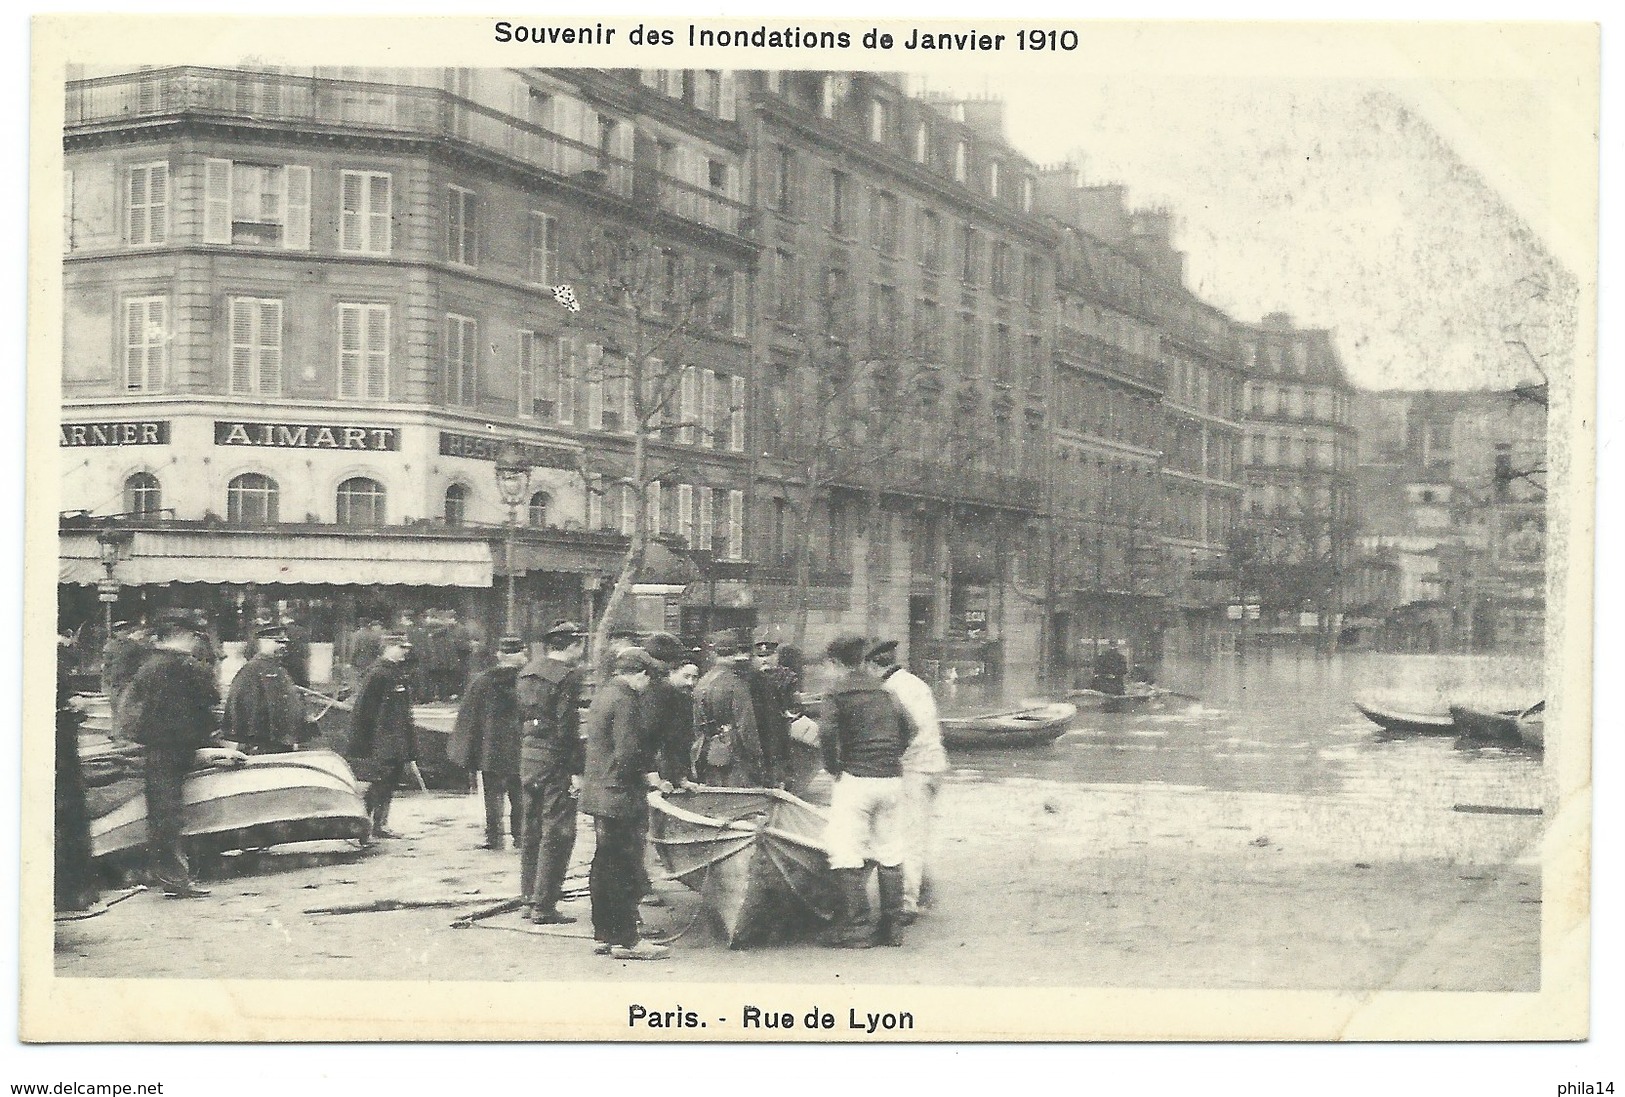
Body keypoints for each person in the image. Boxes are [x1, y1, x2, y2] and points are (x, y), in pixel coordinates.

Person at [121, 612, 245, 898]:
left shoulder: (147, 666)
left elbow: (133, 710)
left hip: (157, 748)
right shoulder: (188, 667)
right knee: (174, 814)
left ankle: (170, 874)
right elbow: (210, 703)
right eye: (193, 637)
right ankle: (175, 878)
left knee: (162, 813)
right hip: (182, 749)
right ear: (184, 636)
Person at [818, 634, 915, 948]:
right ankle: (892, 928)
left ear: (835, 663)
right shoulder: (886, 691)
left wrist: (834, 767)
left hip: (857, 777)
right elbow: (911, 728)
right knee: (890, 850)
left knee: (845, 849)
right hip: (891, 778)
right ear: (863, 659)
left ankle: (858, 928)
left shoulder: (836, 692)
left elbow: (827, 732)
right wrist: (891, 753)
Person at [580, 646, 669, 960]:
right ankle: (627, 940)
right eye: (649, 677)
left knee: (604, 863)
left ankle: (604, 933)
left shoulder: (604, 694)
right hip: (621, 794)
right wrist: (651, 777)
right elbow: (629, 753)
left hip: (600, 792)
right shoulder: (627, 701)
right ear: (641, 674)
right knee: (624, 865)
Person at [865, 639, 948, 924]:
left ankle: (907, 904)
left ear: (873, 664)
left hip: (916, 769)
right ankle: (921, 889)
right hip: (934, 765)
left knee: (907, 834)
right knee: (915, 829)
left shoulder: (889, 691)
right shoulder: (915, 683)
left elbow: (905, 735)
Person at [516, 620, 587, 925]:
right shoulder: (569, 677)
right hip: (555, 760)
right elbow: (566, 728)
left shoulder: (527, 671)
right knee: (558, 833)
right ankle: (544, 906)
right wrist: (576, 770)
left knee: (531, 829)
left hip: (528, 756)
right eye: (579, 645)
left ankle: (528, 898)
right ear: (572, 645)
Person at [450, 635, 527, 850]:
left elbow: (469, 718)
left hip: (490, 749)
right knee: (519, 794)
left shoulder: (482, 681)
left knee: (493, 795)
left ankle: (494, 838)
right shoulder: (528, 680)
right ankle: (521, 837)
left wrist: (469, 750)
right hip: (519, 747)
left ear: (499, 655)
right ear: (522, 654)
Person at [346, 632, 418, 843]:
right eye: (401, 648)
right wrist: (365, 743)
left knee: (390, 782)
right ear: (388, 648)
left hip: (396, 739)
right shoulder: (377, 675)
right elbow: (364, 712)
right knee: (379, 783)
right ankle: (360, 827)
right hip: (381, 741)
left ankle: (380, 825)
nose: (405, 652)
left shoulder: (395, 673)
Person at [691, 630, 769, 787]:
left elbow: (696, 722)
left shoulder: (702, 681)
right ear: (736, 652)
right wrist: (757, 758)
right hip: (733, 755)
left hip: (705, 751)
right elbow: (746, 726)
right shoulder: (736, 683)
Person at [222, 624, 312, 755]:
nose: (283, 646)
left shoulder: (278, 669)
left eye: (285, 643)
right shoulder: (252, 670)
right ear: (264, 642)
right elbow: (241, 706)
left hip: (281, 740)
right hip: (263, 743)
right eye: (278, 642)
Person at [750, 631, 795, 790]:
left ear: (776, 656)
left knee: (779, 760)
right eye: (760, 656)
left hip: (778, 726)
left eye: (769, 655)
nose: (765, 660)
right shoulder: (750, 678)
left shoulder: (787, 677)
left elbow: (793, 706)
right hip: (756, 726)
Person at [101, 620, 151, 738]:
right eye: (119, 631)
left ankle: (124, 734)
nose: (122, 633)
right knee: (115, 707)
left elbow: (141, 662)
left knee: (126, 707)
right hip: (115, 682)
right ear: (116, 633)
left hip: (129, 681)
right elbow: (106, 665)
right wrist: (105, 681)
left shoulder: (134, 646)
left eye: (124, 630)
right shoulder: (110, 646)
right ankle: (115, 733)